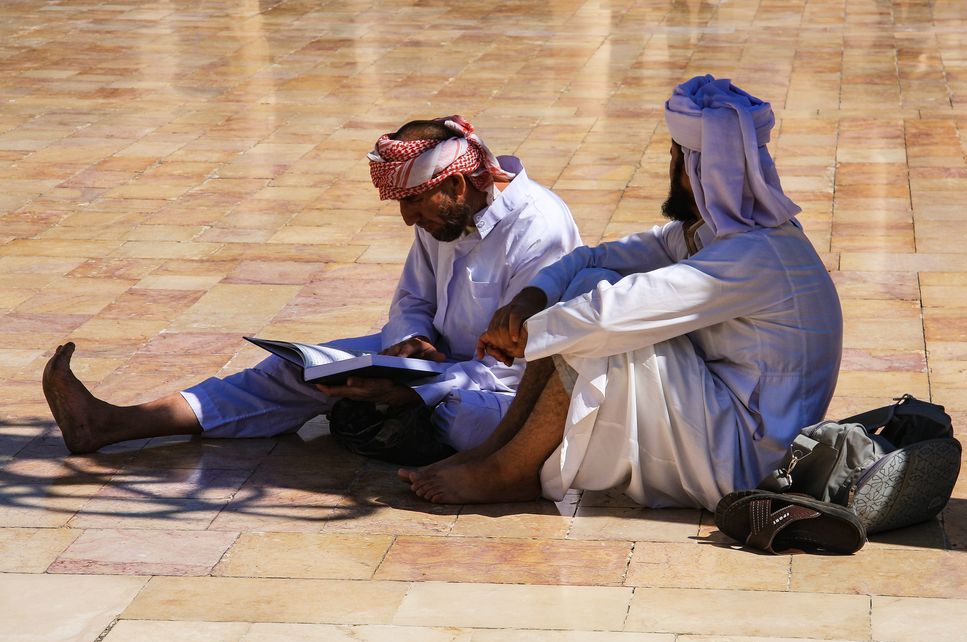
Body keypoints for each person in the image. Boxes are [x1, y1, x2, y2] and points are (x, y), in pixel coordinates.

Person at [401, 76, 843, 510]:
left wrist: (526, 335)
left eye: (676, 160)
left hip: (750, 458)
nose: (670, 172)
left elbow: (611, 316)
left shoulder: (757, 255)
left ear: (700, 171)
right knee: (586, 289)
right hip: (718, 416)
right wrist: (531, 298)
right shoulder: (709, 235)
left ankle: (510, 471)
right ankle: (496, 450)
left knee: (601, 326)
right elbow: (594, 257)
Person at [43, 115, 582, 456]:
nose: (407, 220)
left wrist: (415, 388)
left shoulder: (539, 229)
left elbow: (522, 364)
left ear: (458, 184)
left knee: (468, 424)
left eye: (413, 205)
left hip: (502, 385)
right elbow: (414, 300)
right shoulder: (446, 214)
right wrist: (409, 342)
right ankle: (113, 424)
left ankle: (392, 415)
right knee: (297, 368)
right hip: (435, 362)